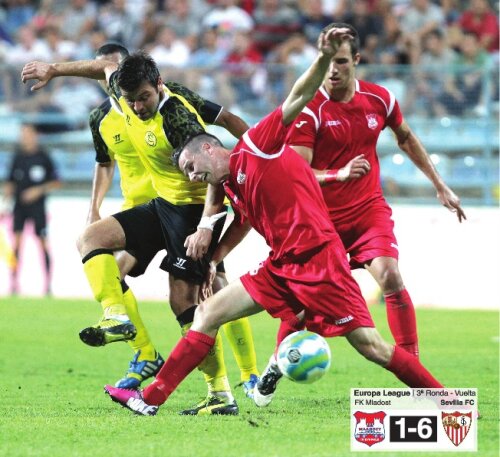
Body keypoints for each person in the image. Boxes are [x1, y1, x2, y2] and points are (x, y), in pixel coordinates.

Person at [102, 27, 445, 417]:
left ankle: (446, 404)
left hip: (320, 263)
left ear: (211, 149)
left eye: (193, 168)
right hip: (283, 266)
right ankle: (150, 400)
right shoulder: (232, 185)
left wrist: (321, 58)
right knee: (208, 313)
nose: (193, 178)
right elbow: (244, 222)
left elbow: (297, 96)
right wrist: (214, 258)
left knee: (373, 348)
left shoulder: (257, 146)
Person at [21, 51, 259, 414]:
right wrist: (54, 70)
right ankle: (116, 315)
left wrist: (207, 228)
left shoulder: (177, 118)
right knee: (90, 238)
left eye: (144, 98)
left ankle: (220, 392)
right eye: (131, 99)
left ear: (159, 85)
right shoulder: (122, 92)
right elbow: (102, 66)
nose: (137, 106)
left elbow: (215, 176)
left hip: (194, 212)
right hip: (162, 205)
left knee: (185, 303)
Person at [252, 22, 467, 407]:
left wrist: (439, 185)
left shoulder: (379, 99)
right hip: (320, 223)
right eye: (328, 63)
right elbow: (295, 175)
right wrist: (338, 173)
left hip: (368, 213)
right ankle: (276, 364)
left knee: (390, 275)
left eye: (341, 62)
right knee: (300, 307)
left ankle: (412, 370)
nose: (333, 71)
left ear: (356, 61)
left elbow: (406, 138)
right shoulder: (309, 111)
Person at [2, 123, 61, 296]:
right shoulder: (17, 157)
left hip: (38, 207)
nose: (24, 137)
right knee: (17, 244)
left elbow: (56, 181)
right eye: (22, 133)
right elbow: (10, 181)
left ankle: (48, 285)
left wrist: (37, 190)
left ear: (35, 135)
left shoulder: (44, 157)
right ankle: (13, 284)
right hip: (19, 207)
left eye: (27, 133)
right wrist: (5, 201)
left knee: (43, 243)